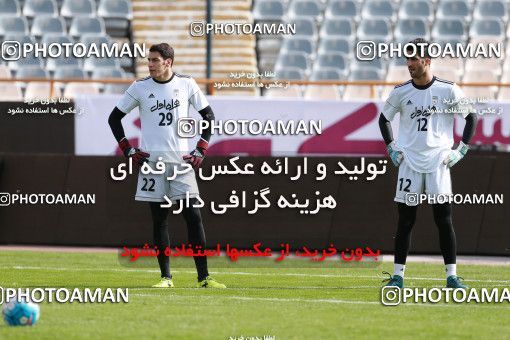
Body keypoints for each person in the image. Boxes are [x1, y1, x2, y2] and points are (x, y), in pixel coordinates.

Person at [108, 43, 226, 288]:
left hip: (181, 163)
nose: (149, 64)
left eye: (154, 60)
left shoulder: (186, 84)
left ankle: (204, 277)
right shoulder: (139, 87)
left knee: (193, 216)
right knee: (159, 220)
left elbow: (209, 116)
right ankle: (166, 278)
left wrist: (201, 149)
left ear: (168, 62)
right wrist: (127, 149)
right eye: (148, 60)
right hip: (152, 164)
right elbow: (114, 117)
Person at [379, 38, 478, 289]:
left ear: (426, 60)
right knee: (406, 220)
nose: (409, 64)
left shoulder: (448, 90)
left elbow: (471, 117)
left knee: (443, 220)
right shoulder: (401, 92)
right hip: (410, 162)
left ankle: (452, 277)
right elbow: (384, 119)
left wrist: (461, 150)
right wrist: (391, 147)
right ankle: (398, 276)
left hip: (438, 162)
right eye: (407, 59)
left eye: (413, 59)